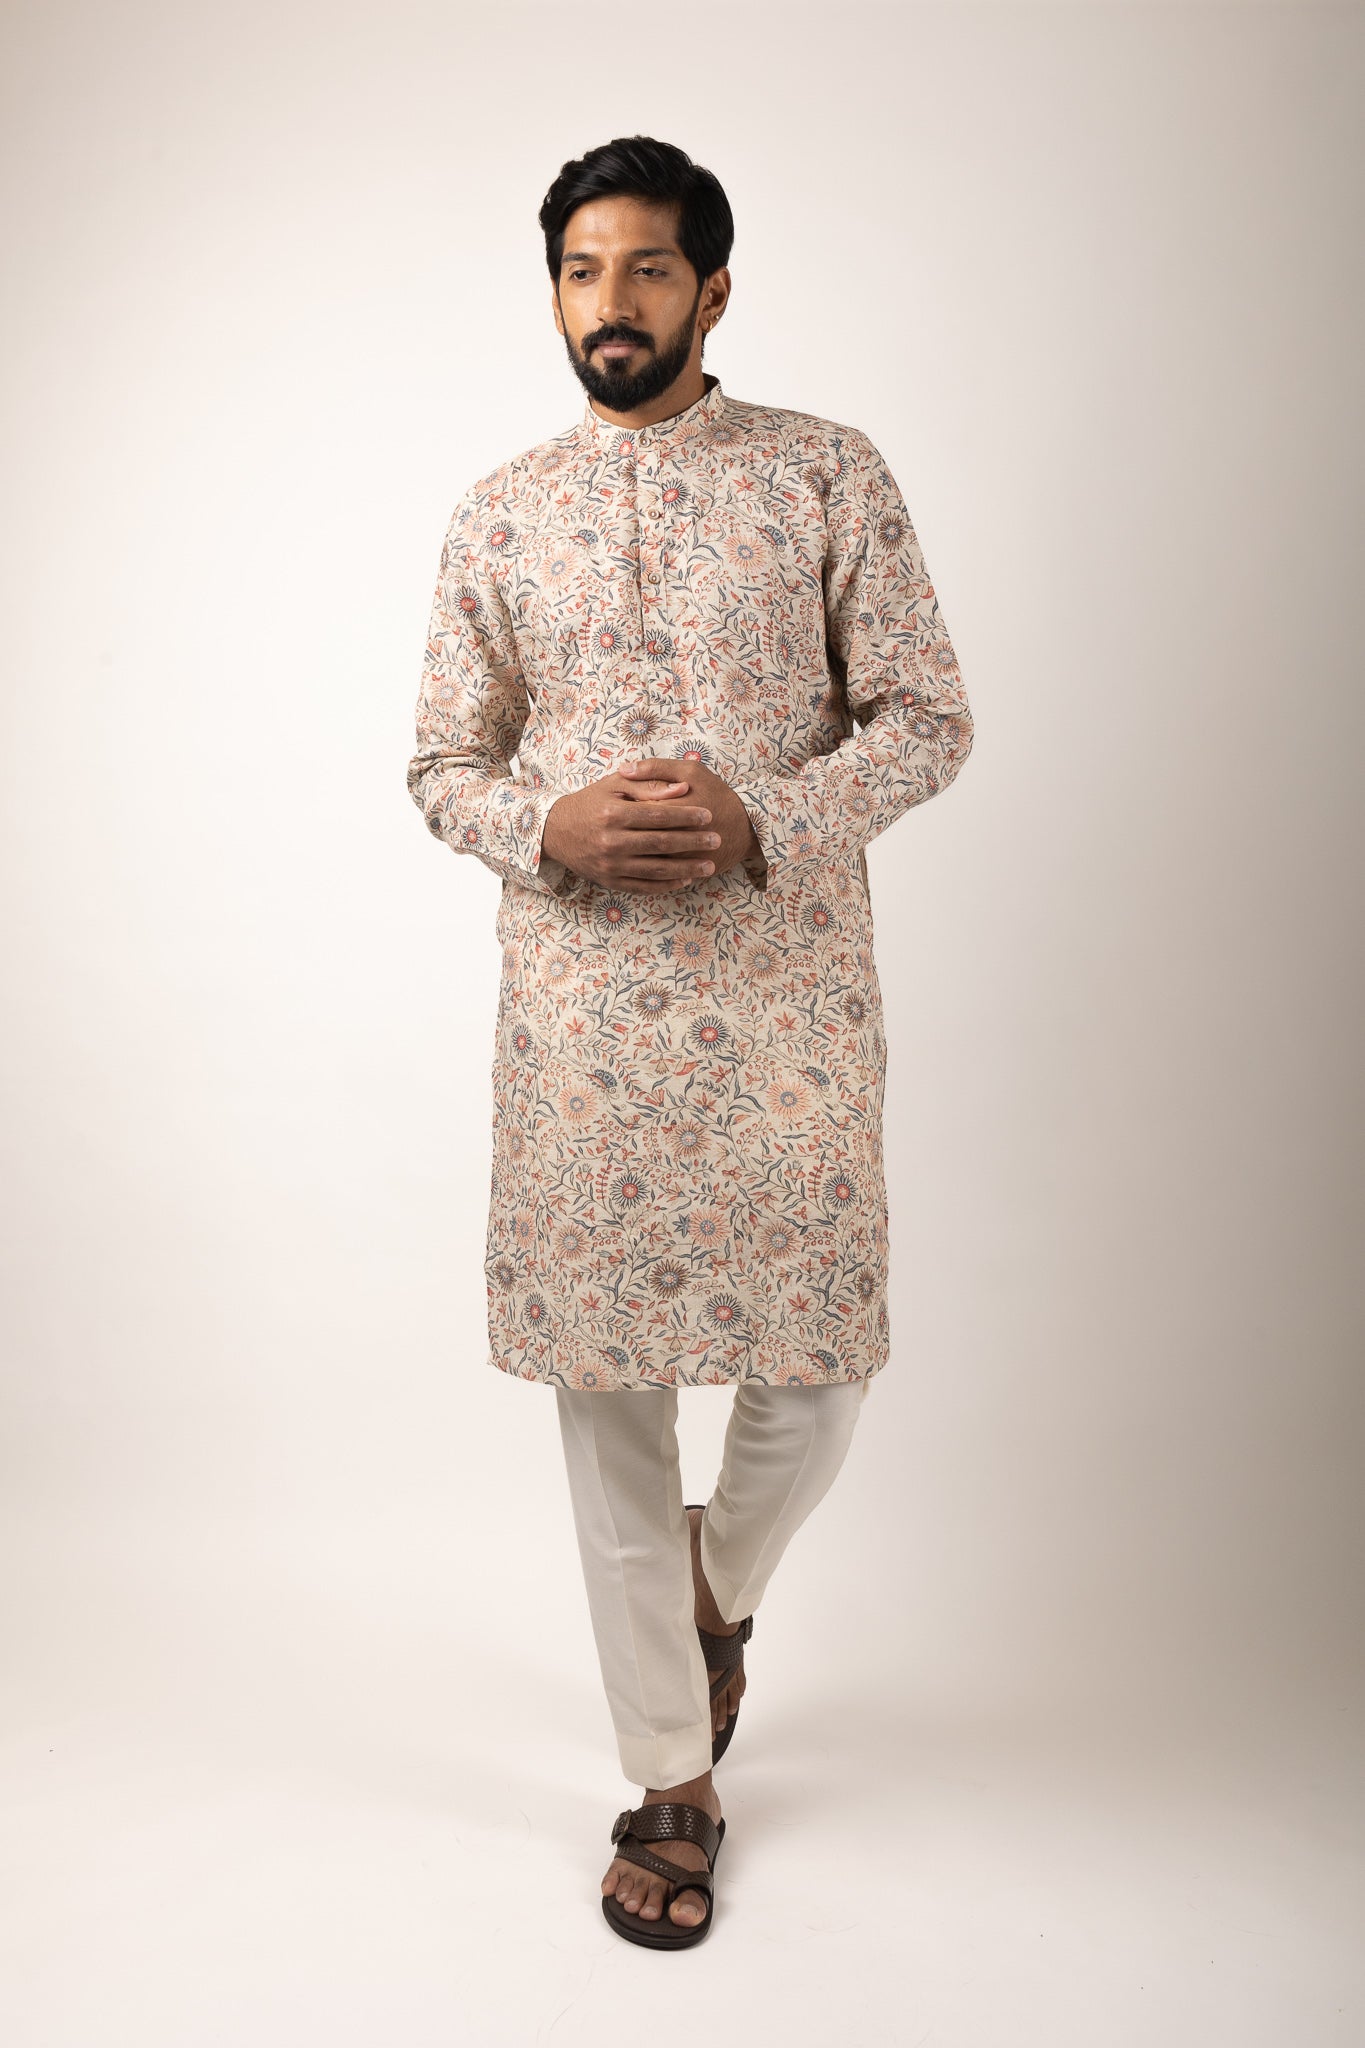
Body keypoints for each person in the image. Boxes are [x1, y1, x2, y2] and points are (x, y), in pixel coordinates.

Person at [406, 134, 974, 1948]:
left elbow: (925, 716)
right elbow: (441, 763)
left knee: (817, 1374)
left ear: (712, 290)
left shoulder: (825, 473)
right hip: (582, 1020)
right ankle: (669, 1772)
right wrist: (545, 826)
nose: (611, 302)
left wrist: (765, 818)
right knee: (608, 1404)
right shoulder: (499, 511)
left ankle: (710, 1601)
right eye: (582, 270)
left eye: (647, 268)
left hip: (789, 999)